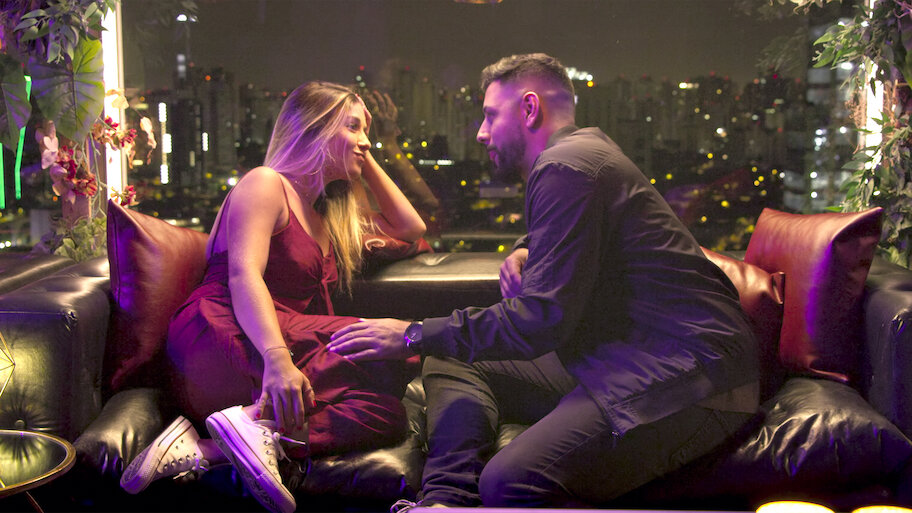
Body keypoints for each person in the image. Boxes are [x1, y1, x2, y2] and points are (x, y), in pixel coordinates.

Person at [326, 53, 761, 508]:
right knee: (451, 359)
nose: (481, 132)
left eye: (491, 115)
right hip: (626, 354)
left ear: (530, 108)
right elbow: (584, 231)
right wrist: (525, 246)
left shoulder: (566, 166)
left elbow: (539, 321)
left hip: (692, 373)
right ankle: (446, 501)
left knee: (509, 482)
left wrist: (412, 334)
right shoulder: (581, 154)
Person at [119, 81, 426, 513]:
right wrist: (278, 361)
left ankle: (216, 444)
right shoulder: (265, 184)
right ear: (315, 130)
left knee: (388, 414)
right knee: (397, 347)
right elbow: (244, 275)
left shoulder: (326, 216)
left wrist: (363, 154)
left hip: (275, 352)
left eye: (367, 132)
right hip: (224, 336)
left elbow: (412, 228)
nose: (367, 141)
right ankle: (247, 426)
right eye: (354, 127)